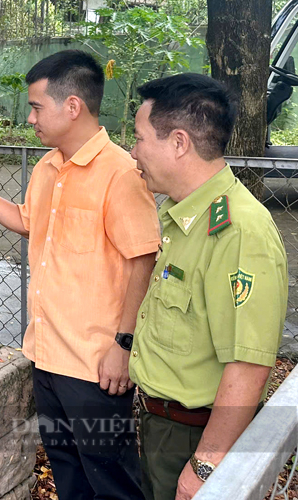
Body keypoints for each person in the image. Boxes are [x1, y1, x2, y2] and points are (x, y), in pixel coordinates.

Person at [0, 50, 160, 499]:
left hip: (95, 366)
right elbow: (29, 221)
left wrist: (123, 346)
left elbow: (144, 259)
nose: (29, 118)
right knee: (68, 472)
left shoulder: (120, 173)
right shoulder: (47, 166)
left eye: (36, 106)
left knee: (112, 481)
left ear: (72, 107)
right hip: (45, 354)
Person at [128, 73, 288, 500]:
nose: (133, 152)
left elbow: (249, 366)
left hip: (194, 439)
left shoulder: (238, 232)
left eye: (140, 138)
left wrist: (204, 467)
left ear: (178, 142)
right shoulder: (186, 217)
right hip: (163, 426)